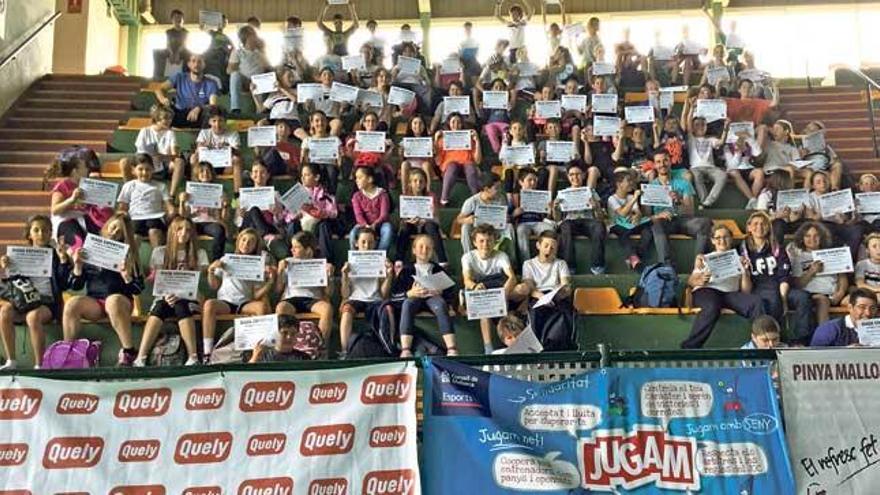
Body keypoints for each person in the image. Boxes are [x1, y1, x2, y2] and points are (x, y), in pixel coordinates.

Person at [63, 213, 143, 366]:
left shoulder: (130, 255)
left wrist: (127, 276)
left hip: (121, 301)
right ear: (106, 226)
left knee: (113, 301)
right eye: (113, 227)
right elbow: (76, 286)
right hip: (95, 301)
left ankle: (129, 351)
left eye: (119, 231)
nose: (114, 233)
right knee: (72, 303)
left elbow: (138, 289)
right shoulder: (90, 248)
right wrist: (78, 267)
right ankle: (68, 351)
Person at [135, 217, 209, 366]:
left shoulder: (199, 253)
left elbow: (195, 282)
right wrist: (167, 294)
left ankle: (193, 357)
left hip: (189, 298)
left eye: (188, 230)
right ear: (172, 232)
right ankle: (140, 357)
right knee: (160, 307)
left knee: (181, 305)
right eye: (179, 229)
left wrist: (180, 294)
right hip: (165, 297)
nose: (184, 233)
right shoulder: (159, 252)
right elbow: (159, 281)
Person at [0, 216, 72, 369]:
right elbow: (14, 285)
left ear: (50, 233)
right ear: (29, 234)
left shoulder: (57, 255)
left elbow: (65, 284)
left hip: (47, 303)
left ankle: (40, 365)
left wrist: (64, 260)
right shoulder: (20, 255)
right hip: (25, 300)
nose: (41, 233)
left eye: (45, 230)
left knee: (33, 317)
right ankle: (11, 360)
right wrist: (8, 268)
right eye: (36, 230)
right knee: (5, 310)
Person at [682, 224, 763, 349]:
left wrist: (745, 271)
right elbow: (691, 282)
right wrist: (700, 280)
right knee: (712, 306)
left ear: (731, 239)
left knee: (756, 302)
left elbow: (746, 290)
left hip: (729, 294)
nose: (722, 240)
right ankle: (690, 346)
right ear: (713, 240)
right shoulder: (704, 258)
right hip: (707, 291)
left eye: (726, 237)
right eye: (718, 237)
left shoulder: (740, 259)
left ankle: (760, 343)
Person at [739, 211, 813, 344]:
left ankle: (801, 341)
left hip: (780, 287)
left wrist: (784, 299)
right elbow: (745, 287)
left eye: (763, 224)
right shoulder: (743, 249)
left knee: (803, 297)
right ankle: (774, 340)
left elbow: (784, 277)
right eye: (755, 224)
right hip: (759, 289)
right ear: (749, 227)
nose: (759, 227)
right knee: (772, 298)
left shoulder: (777, 248)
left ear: (769, 227)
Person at [201, 229, 274, 357]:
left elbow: (256, 295)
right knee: (209, 304)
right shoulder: (225, 259)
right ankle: (207, 351)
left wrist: (270, 281)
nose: (246, 244)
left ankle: (257, 349)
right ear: (238, 241)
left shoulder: (255, 264)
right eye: (244, 240)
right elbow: (214, 286)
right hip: (225, 302)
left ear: (255, 246)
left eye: (251, 242)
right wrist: (211, 271)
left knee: (261, 306)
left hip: (244, 303)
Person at [461, 224, 529, 353]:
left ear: (494, 242)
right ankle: (488, 347)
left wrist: (503, 294)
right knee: (484, 309)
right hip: (481, 291)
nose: (485, 244)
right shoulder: (467, 257)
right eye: (481, 241)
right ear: (475, 242)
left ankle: (520, 339)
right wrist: (475, 286)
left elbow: (512, 278)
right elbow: (467, 280)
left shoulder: (501, 255)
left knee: (523, 289)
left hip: (500, 289)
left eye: (489, 241)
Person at [395, 235, 458, 357]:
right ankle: (406, 349)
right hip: (414, 298)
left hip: (433, 298)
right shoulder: (406, 270)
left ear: (432, 251)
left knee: (440, 304)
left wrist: (442, 292)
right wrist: (409, 293)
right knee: (407, 304)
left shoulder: (439, 269)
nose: (424, 250)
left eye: (428, 248)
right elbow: (394, 295)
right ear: (414, 250)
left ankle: (451, 348)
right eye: (421, 247)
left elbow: (450, 290)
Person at [648, 150, 713, 267]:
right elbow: (646, 216)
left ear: (670, 161)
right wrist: (658, 216)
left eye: (665, 160)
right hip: (663, 223)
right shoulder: (650, 187)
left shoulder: (683, 183)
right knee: (656, 224)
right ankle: (666, 266)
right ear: (654, 165)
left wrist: (679, 200)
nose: (662, 164)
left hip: (683, 220)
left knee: (705, 223)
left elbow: (690, 211)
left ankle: (699, 265)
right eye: (658, 162)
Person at [339, 227, 393, 352]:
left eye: (370, 242)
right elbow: (345, 294)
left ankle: (387, 347)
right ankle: (344, 350)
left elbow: (383, 294)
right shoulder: (350, 263)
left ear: (375, 243)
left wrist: (389, 275)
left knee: (387, 309)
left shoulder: (381, 262)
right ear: (356, 243)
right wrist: (344, 275)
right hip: (355, 299)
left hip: (375, 300)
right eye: (363, 242)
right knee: (346, 312)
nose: (367, 245)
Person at [276, 231, 335, 340]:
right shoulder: (287, 262)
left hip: (313, 300)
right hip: (291, 299)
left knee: (327, 308)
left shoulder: (320, 264)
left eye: (296, 247)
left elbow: (329, 293)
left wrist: (330, 276)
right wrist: (280, 271)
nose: (292, 250)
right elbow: (278, 289)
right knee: (281, 308)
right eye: (292, 246)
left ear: (308, 250)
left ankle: (321, 346)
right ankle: (285, 343)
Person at [788, 221, 848, 326]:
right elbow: (798, 284)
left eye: (816, 235)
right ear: (802, 238)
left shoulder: (832, 254)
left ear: (822, 237)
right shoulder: (799, 258)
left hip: (833, 295)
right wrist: (811, 271)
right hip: (812, 295)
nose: (812, 239)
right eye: (808, 236)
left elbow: (842, 277)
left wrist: (840, 293)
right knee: (822, 300)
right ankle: (824, 334)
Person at [46, 154, 112, 249]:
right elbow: (55, 210)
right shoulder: (63, 185)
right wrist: (71, 200)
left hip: (86, 219)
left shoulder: (91, 183)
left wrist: (100, 186)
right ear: (75, 171)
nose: (89, 169)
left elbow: (106, 210)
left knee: (103, 240)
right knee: (79, 243)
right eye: (85, 167)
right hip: (65, 221)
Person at [120, 105, 186, 195]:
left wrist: (163, 157)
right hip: (144, 163)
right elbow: (140, 152)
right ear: (157, 119)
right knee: (124, 162)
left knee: (179, 161)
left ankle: (172, 195)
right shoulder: (145, 131)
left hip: (162, 165)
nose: (169, 121)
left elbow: (174, 154)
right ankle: (130, 192)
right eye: (166, 118)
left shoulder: (170, 133)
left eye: (170, 118)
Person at [554, 165, 606, 273]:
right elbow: (557, 219)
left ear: (583, 175)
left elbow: (600, 217)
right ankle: (570, 266)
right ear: (568, 177)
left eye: (578, 174)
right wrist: (555, 209)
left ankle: (597, 265)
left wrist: (596, 207)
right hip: (571, 223)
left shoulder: (590, 191)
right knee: (564, 225)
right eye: (571, 174)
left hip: (588, 222)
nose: (575, 177)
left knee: (599, 226)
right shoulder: (563, 194)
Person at [116, 154, 174, 248]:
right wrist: (122, 214)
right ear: (133, 170)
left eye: (148, 169)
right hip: (135, 217)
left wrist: (171, 211)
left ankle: (157, 259)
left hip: (155, 217)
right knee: (134, 234)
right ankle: (132, 261)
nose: (144, 172)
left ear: (153, 170)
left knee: (154, 231)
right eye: (140, 169)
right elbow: (123, 206)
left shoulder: (160, 186)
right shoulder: (129, 186)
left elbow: (168, 204)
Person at [177, 162, 228, 262]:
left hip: (211, 222)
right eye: (201, 171)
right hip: (194, 222)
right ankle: (186, 260)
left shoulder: (220, 192)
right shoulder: (190, 191)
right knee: (183, 231)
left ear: (212, 174)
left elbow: (224, 217)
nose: (205, 173)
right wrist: (182, 202)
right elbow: (183, 215)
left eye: (208, 171)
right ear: (197, 174)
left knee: (219, 230)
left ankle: (216, 261)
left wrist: (225, 206)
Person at [396, 169, 447, 265]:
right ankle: (399, 260)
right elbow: (401, 218)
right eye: (415, 181)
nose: (418, 184)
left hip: (426, 225)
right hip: (411, 225)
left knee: (431, 226)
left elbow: (436, 218)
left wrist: (426, 219)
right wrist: (409, 220)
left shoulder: (431, 196)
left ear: (425, 184)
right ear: (410, 183)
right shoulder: (405, 196)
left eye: (421, 181)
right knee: (405, 228)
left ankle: (442, 260)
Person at [155, 53, 220, 129]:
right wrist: (163, 99)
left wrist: (199, 108)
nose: (196, 64)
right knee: (162, 109)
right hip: (179, 113)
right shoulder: (179, 77)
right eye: (193, 61)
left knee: (211, 112)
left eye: (199, 61)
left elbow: (213, 105)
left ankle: (204, 137)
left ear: (204, 64)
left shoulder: (211, 83)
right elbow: (159, 89)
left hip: (199, 116)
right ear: (188, 64)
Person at [607, 170, 653, 271]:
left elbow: (637, 211)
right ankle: (633, 257)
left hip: (632, 224)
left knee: (648, 231)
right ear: (619, 184)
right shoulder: (612, 199)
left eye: (632, 181)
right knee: (623, 233)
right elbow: (622, 213)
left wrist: (637, 216)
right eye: (628, 181)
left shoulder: (630, 196)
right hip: (617, 225)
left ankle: (637, 255)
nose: (631, 183)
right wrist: (635, 198)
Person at [192, 106, 244, 194]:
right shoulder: (204, 133)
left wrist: (229, 148)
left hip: (225, 166)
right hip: (207, 166)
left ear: (225, 121)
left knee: (237, 160)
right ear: (209, 122)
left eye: (220, 121)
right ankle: (194, 189)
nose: (217, 124)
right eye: (214, 121)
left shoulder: (232, 134)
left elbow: (238, 152)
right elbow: (198, 150)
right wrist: (203, 146)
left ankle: (237, 194)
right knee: (193, 157)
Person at [458, 174, 514, 253]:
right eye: (496, 188)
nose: (499, 190)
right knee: (465, 227)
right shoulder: (472, 201)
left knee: (510, 227)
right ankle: (468, 254)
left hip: (495, 228)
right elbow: (459, 219)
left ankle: (512, 257)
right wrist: (467, 220)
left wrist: (506, 218)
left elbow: (504, 215)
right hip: (479, 229)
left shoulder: (501, 198)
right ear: (486, 189)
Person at [436, 114, 482, 206]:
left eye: (459, 122)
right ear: (449, 124)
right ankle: (444, 199)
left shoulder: (468, 138)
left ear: (462, 124)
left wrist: (477, 141)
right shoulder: (443, 139)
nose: (456, 124)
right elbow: (437, 161)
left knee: (470, 167)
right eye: (453, 122)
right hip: (450, 166)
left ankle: (477, 198)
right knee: (452, 166)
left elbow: (477, 161)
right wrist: (436, 140)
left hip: (467, 164)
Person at [684, 117, 729, 208]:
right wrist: (691, 108)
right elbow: (688, 124)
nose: (700, 127)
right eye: (697, 124)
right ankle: (704, 201)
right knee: (696, 176)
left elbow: (721, 142)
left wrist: (726, 128)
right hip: (695, 167)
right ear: (692, 127)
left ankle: (708, 202)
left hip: (711, 167)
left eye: (703, 124)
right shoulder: (690, 138)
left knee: (723, 175)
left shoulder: (710, 139)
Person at [227, 25, 271, 115]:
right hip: (244, 80)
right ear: (245, 38)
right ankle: (236, 108)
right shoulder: (238, 52)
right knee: (235, 75)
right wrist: (234, 66)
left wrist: (263, 50)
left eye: (254, 35)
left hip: (258, 80)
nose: (254, 38)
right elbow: (229, 70)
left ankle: (261, 110)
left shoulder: (260, 53)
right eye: (251, 36)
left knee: (261, 78)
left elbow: (267, 67)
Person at [810, 289, 878, 347]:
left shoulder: (877, 329)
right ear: (850, 308)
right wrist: (845, 353)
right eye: (862, 307)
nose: (868, 313)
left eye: (873, 308)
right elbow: (813, 356)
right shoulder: (830, 328)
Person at [350, 167, 393, 252]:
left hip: (380, 224)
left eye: (360, 177)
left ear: (370, 179)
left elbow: (384, 215)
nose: (356, 180)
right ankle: (356, 257)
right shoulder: (356, 196)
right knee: (353, 233)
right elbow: (358, 215)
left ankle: (379, 256)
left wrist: (374, 225)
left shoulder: (382, 194)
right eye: (356, 178)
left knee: (388, 229)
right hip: (363, 224)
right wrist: (366, 225)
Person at [248, 314, 324, 362]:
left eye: (293, 334)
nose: (289, 337)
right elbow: (246, 377)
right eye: (284, 333)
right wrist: (254, 358)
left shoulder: (303, 358)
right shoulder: (262, 356)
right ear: (275, 333)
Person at [153, 9, 189, 81]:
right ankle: (157, 77)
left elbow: (184, 44)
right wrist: (171, 53)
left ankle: (187, 78)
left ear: (183, 20)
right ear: (172, 20)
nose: (178, 19)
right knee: (156, 52)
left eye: (180, 18)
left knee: (191, 55)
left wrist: (177, 53)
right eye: (176, 18)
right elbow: (168, 44)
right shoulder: (169, 32)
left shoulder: (185, 32)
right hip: (170, 50)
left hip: (181, 51)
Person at [856, 233, 880, 298]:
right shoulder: (862, 264)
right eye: (874, 246)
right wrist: (876, 289)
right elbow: (860, 284)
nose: (878, 249)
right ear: (867, 250)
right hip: (866, 293)